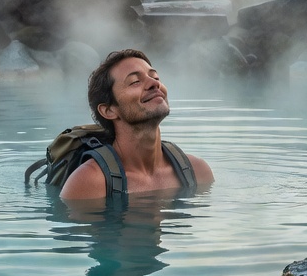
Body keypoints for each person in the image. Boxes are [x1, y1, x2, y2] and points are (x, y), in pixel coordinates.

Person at [60, 49, 214, 200]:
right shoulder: (90, 183)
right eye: (135, 82)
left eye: (156, 77)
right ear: (109, 111)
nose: (154, 84)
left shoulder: (198, 172)